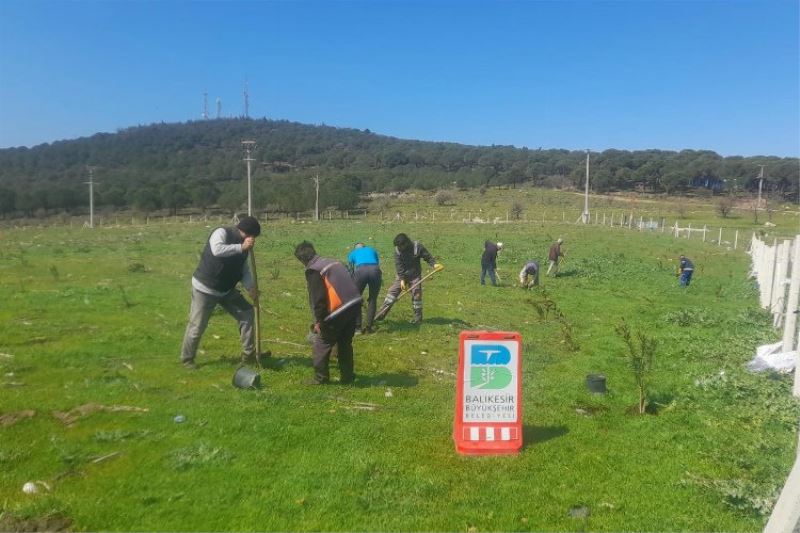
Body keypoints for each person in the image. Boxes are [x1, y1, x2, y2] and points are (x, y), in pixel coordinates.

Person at [180, 216, 263, 370]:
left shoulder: (245, 246)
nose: (252, 240)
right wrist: (241, 247)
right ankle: (187, 359)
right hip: (204, 288)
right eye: (251, 236)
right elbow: (217, 250)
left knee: (246, 313)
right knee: (197, 325)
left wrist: (251, 288)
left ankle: (248, 355)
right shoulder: (222, 232)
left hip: (226, 290)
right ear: (244, 231)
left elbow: (243, 269)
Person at [295, 241, 362, 385]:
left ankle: (320, 378)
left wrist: (320, 322)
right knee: (344, 342)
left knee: (322, 343)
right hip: (355, 304)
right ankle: (347, 377)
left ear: (302, 260)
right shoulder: (333, 261)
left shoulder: (313, 270)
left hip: (339, 310)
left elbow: (318, 299)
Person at [376, 233, 443, 324]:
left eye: (400, 246)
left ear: (406, 243)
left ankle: (417, 319)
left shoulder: (417, 247)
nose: (399, 248)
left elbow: (427, 257)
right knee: (391, 294)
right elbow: (399, 266)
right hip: (402, 275)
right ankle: (380, 316)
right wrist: (402, 279)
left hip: (415, 276)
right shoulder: (397, 251)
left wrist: (434, 264)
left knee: (417, 296)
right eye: (397, 246)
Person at [347, 242, 382, 334]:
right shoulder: (372, 250)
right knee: (373, 299)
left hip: (360, 271)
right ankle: (369, 328)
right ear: (364, 247)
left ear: (355, 248)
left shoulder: (353, 253)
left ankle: (358, 328)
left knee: (356, 299)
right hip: (375, 271)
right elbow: (377, 263)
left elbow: (350, 270)